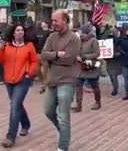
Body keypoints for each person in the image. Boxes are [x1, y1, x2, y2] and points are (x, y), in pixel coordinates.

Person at [41, 10, 81, 151]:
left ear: (65, 21)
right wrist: (57, 54)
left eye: (55, 20)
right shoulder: (52, 37)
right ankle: (64, 133)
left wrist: (52, 59)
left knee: (63, 116)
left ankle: (62, 147)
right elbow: (43, 55)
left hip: (67, 81)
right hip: (52, 81)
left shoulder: (74, 38)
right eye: (52, 20)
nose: (53, 23)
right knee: (48, 111)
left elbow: (69, 59)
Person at [0, 24, 38, 148]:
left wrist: (29, 74)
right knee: (17, 105)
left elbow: (34, 61)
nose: (20, 32)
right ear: (13, 33)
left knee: (14, 106)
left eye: (22, 30)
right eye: (17, 30)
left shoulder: (29, 46)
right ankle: (26, 124)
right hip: (9, 80)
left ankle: (10, 137)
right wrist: (1, 49)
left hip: (22, 80)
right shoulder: (7, 45)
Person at [72, 24, 101, 112]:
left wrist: (85, 57)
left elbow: (97, 54)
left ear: (85, 33)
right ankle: (78, 105)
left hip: (91, 66)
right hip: (80, 66)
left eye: (81, 32)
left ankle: (98, 102)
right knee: (78, 85)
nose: (79, 33)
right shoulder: (78, 41)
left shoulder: (93, 41)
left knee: (94, 85)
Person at [35, 21, 51, 94]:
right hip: (38, 53)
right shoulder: (38, 32)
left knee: (45, 70)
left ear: (47, 24)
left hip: (45, 54)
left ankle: (44, 85)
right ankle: (43, 82)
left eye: (44, 22)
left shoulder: (49, 32)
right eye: (42, 23)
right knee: (36, 70)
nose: (42, 24)